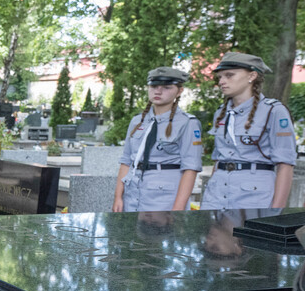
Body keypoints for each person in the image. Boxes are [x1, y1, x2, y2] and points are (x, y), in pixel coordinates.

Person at [201, 52, 296, 210]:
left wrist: (276, 210)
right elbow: (218, 160)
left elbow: (285, 164)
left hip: (254, 196)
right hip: (216, 195)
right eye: (220, 77)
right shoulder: (221, 112)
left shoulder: (273, 111)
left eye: (229, 75)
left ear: (251, 76)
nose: (222, 81)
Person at [113, 67, 203, 212]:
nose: (158, 91)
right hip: (132, 195)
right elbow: (126, 161)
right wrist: (118, 197)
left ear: (179, 91)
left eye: (167, 87)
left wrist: (178, 209)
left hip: (164, 198)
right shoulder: (137, 121)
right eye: (154, 86)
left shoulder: (188, 123)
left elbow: (190, 168)